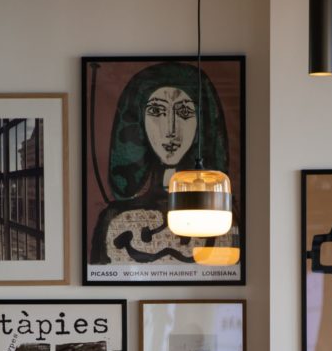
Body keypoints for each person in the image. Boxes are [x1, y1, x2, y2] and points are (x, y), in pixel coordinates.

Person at [89, 61, 239, 267]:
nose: (170, 130)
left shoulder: (223, 219)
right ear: (139, 120)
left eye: (184, 113)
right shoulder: (115, 219)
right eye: (157, 112)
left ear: (201, 123)